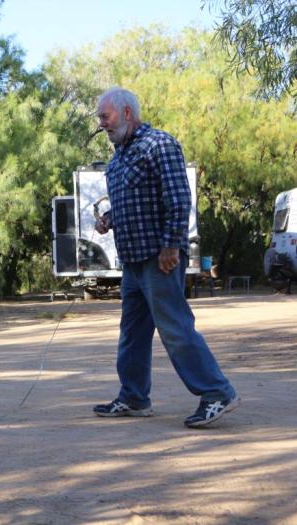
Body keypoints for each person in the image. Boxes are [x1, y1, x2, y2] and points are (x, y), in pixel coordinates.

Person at [92, 87, 239, 428]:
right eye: (100, 118)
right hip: (132, 261)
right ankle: (133, 397)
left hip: (160, 258)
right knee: (132, 333)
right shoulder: (118, 159)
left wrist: (171, 247)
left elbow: (177, 199)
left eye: (105, 116)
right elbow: (134, 202)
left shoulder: (160, 144)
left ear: (127, 112)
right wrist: (109, 220)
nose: (102, 124)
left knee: (174, 328)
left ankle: (218, 392)